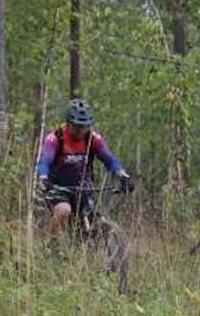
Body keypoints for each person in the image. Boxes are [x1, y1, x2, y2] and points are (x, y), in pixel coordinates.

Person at [36, 98, 133, 232]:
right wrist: (43, 177)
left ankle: (91, 250)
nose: (81, 130)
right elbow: (44, 161)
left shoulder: (92, 139)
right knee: (64, 210)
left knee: (94, 218)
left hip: (83, 188)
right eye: (77, 126)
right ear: (69, 123)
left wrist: (122, 175)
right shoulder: (55, 139)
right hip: (59, 189)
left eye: (85, 126)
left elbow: (110, 160)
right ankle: (54, 248)